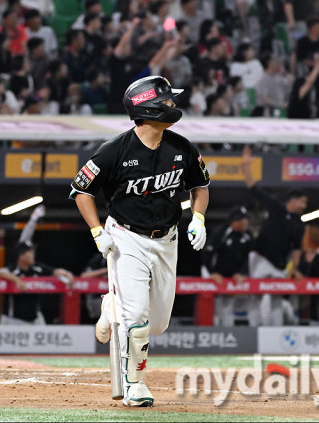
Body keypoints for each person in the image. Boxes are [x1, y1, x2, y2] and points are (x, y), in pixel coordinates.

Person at [70, 75, 210, 407]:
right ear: (148, 107)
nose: (173, 105)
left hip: (167, 240)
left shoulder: (182, 147)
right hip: (125, 237)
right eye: (167, 101)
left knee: (157, 323)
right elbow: (80, 191)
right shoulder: (114, 150)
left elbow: (200, 186)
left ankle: (111, 305)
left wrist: (199, 217)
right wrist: (96, 231)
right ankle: (134, 384)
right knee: (137, 320)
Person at [241, 145, 307, 326]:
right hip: (260, 257)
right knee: (256, 293)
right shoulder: (276, 206)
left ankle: (276, 335)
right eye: (302, 201)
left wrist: (295, 269)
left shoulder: (299, 223)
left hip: (279, 264)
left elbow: (297, 248)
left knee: (277, 297)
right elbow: (253, 188)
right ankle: (253, 330)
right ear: (293, 200)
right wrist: (246, 166)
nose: (304, 205)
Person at [0, 240, 75, 325]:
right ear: (21, 255)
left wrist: (68, 274)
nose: (33, 254)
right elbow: (0, 272)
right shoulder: (13, 269)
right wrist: (16, 280)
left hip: (34, 318)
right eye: (30, 252)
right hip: (13, 319)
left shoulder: (36, 268)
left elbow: (56, 271)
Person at [201, 205, 255, 327]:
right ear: (235, 220)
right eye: (243, 219)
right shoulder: (221, 232)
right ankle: (209, 333)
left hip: (232, 276)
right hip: (212, 273)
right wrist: (212, 272)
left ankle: (227, 333)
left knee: (228, 306)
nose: (246, 222)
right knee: (212, 305)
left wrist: (241, 272)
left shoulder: (247, 235)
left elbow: (248, 257)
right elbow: (207, 253)